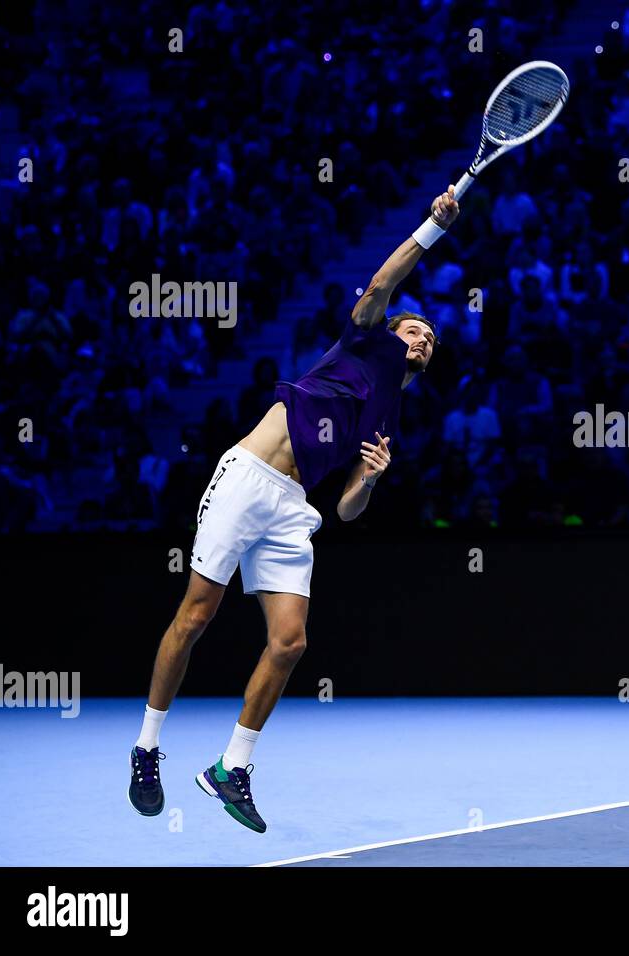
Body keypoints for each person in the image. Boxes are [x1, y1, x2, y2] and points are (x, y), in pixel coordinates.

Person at [127, 186, 460, 832]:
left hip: (293, 509)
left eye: (429, 340)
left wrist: (371, 482)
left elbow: (347, 510)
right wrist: (432, 227)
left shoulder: (390, 413)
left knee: (291, 641)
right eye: (415, 329)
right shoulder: (365, 343)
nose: (422, 339)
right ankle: (145, 748)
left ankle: (231, 768)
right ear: (393, 331)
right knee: (196, 615)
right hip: (249, 476)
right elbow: (379, 285)